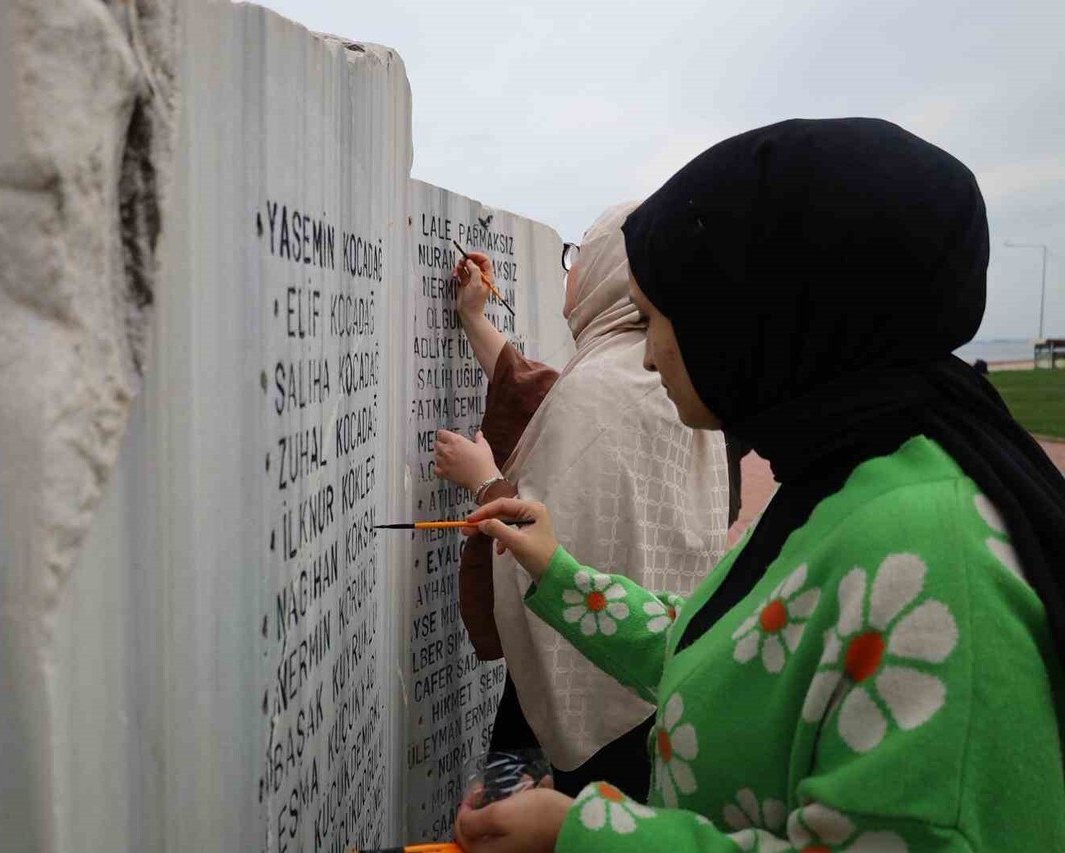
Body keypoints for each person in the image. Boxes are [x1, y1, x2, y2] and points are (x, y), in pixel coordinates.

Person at [453, 118, 1065, 852]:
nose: (647, 357)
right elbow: (737, 645)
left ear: (761, 319)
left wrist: (584, 834)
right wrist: (558, 571)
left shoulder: (933, 557)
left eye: (658, 320)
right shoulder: (849, 482)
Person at [434, 202, 731, 799]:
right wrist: (475, 320)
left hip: (597, 671)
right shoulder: (661, 369)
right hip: (655, 671)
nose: (569, 272)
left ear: (609, 269)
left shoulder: (607, 385)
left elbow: (546, 541)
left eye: (577, 254)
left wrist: (489, 485)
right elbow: (541, 391)